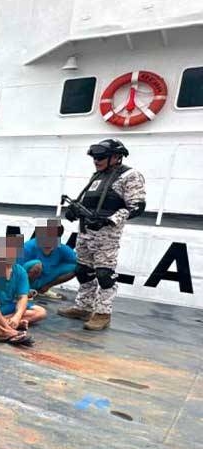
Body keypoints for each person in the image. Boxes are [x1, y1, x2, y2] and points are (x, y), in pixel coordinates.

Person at [58, 139, 146, 331]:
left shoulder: (129, 176)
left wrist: (109, 220)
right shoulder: (98, 175)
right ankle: (84, 306)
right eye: (94, 158)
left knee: (104, 274)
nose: (96, 161)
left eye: (101, 157)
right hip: (86, 231)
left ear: (116, 157)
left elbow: (137, 206)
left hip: (106, 234)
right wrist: (74, 211)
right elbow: (90, 201)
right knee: (83, 270)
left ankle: (103, 313)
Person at [0, 235, 47, 329]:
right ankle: (2, 323)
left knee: (41, 312)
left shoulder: (20, 271)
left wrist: (17, 317)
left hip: (6, 308)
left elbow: (22, 297)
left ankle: (7, 322)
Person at [22, 219, 76, 299]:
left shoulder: (61, 248)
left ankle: (43, 289)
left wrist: (49, 284)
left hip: (45, 279)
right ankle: (24, 290)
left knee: (77, 267)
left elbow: (78, 261)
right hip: (24, 278)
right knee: (37, 265)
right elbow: (15, 269)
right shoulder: (29, 246)